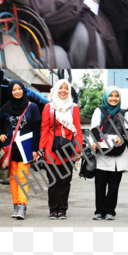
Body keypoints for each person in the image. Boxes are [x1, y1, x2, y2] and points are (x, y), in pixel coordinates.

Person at [0, 81, 41, 220]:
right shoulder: (7, 107)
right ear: (10, 92)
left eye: (19, 89)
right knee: (13, 178)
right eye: (14, 90)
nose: (17, 92)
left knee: (22, 176)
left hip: (26, 147)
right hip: (10, 147)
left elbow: (37, 129)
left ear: (23, 90)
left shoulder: (32, 107)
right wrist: (0, 134)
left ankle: (22, 206)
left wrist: (35, 149)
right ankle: (15, 205)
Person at [39, 79, 82, 220]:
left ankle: (62, 210)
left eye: (66, 88)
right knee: (53, 181)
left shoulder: (73, 108)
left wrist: (78, 149)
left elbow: (78, 129)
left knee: (65, 181)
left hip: (68, 149)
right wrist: (41, 149)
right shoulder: (49, 107)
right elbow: (45, 129)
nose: (63, 90)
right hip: (51, 148)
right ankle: (53, 209)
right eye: (60, 88)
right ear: (56, 90)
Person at [89, 86, 128, 220]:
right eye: (111, 96)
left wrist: (123, 136)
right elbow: (94, 128)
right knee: (100, 185)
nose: (114, 99)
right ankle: (99, 211)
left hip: (118, 152)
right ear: (106, 97)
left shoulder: (125, 112)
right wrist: (95, 142)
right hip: (102, 152)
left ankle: (110, 211)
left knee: (114, 185)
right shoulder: (99, 110)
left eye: (116, 96)